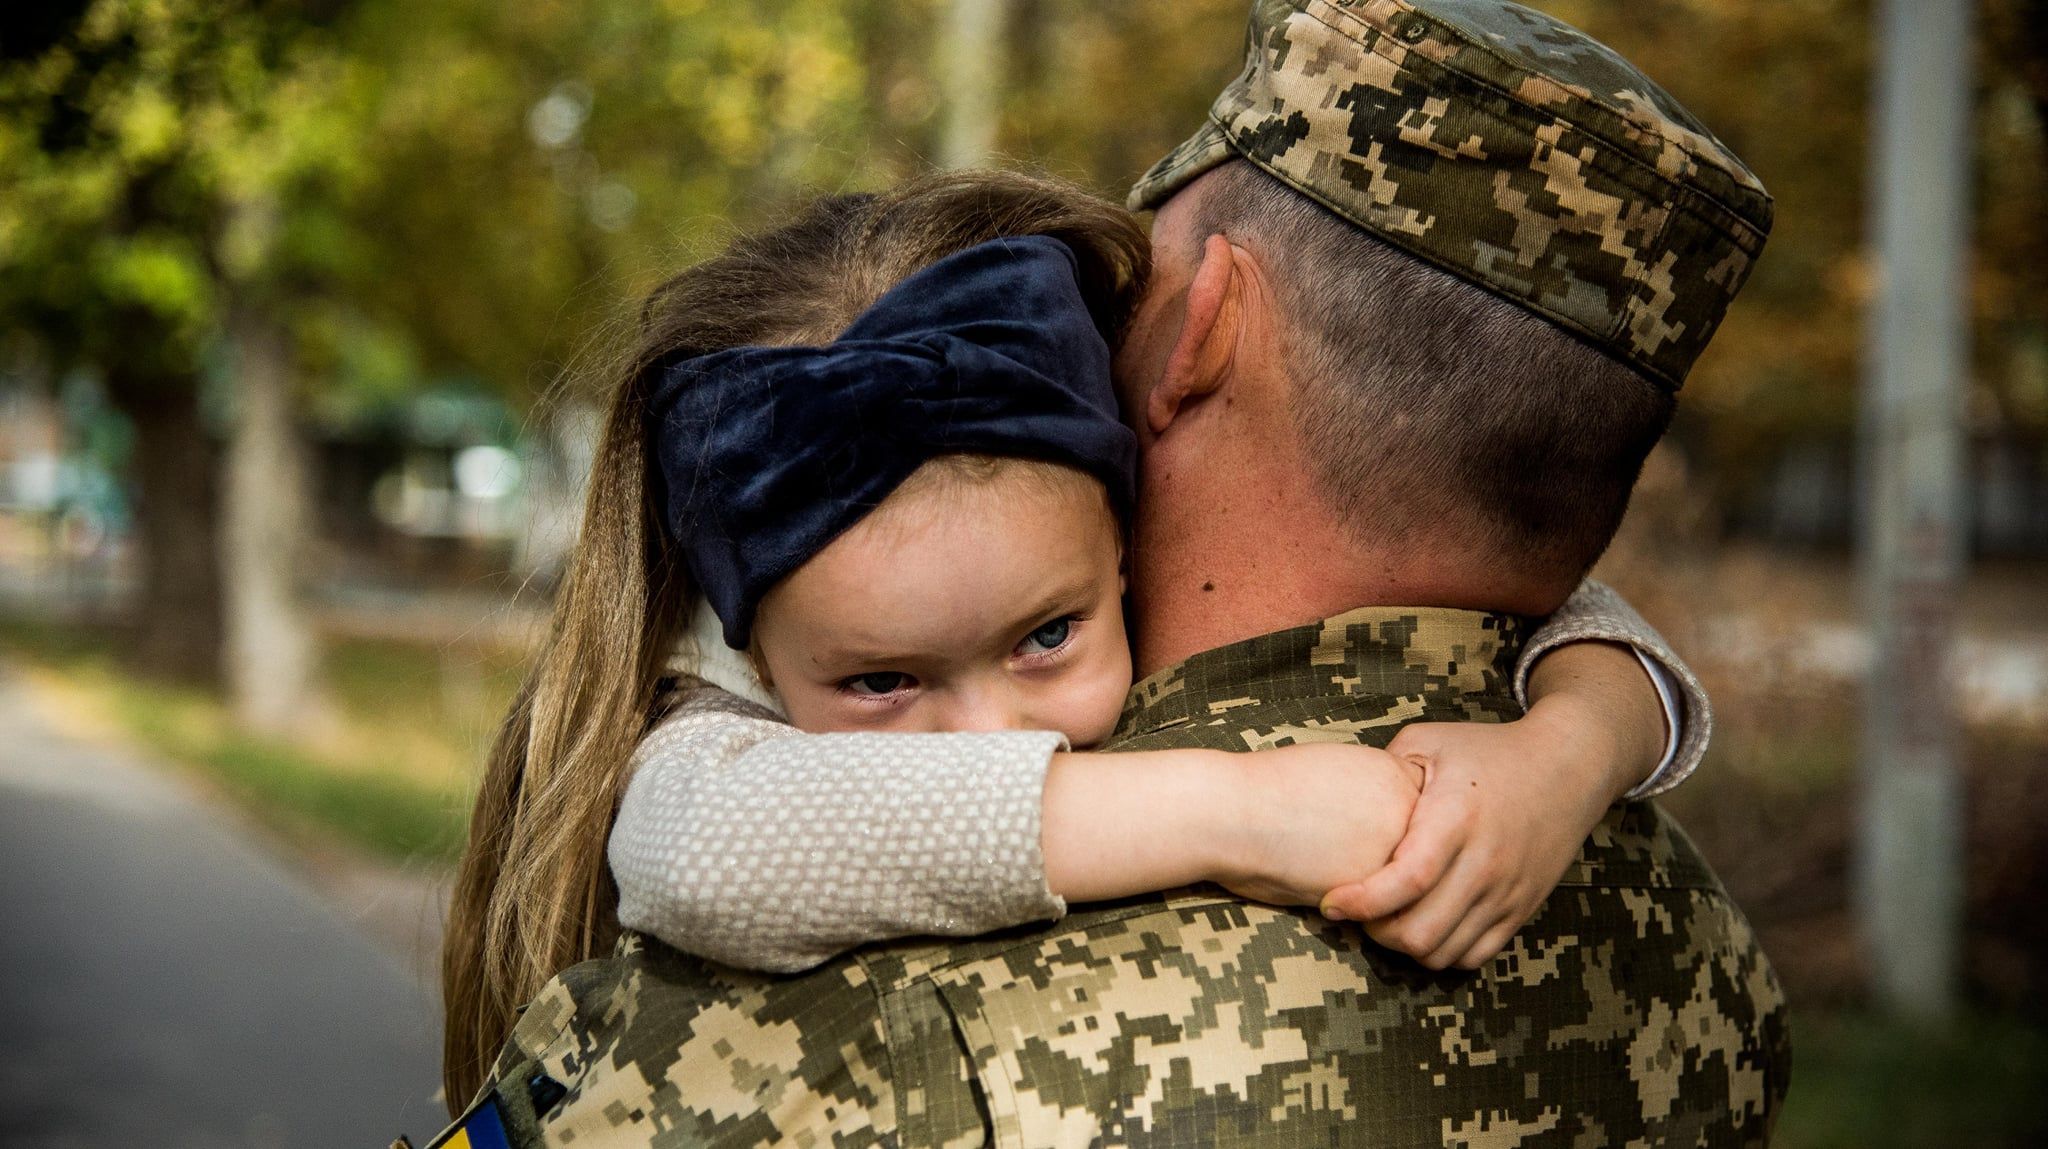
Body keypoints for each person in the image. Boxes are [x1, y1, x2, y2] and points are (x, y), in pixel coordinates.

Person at [418, 0, 1788, 1144]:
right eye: (888, 677)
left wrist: (1575, 743)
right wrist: (1550, 750)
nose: (988, 730)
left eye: (1119, 304)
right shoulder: (1710, 967)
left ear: (1197, 337)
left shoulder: (818, 1048)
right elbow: (702, 838)